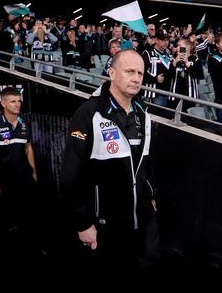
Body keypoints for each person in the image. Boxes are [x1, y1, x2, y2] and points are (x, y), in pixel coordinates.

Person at [61, 50, 158, 274]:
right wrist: (83, 222)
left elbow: (147, 161)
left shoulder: (143, 114)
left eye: (140, 73)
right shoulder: (88, 114)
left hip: (141, 224)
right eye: (129, 71)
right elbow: (71, 174)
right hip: (105, 226)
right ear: (112, 73)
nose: (136, 78)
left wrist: (151, 196)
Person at [0, 87, 38, 246]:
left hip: (24, 177)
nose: (17, 104)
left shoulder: (24, 123)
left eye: (19, 101)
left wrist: (34, 172)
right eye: (13, 101)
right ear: (3, 103)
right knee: (5, 219)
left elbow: (28, 148)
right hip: (3, 179)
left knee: (27, 215)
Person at [142, 28, 175, 107]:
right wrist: (155, 78)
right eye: (163, 40)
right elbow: (141, 72)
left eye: (167, 40)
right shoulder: (148, 53)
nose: (166, 42)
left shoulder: (169, 53)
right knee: (158, 117)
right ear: (156, 40)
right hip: (155, 94)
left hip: (170, 92)